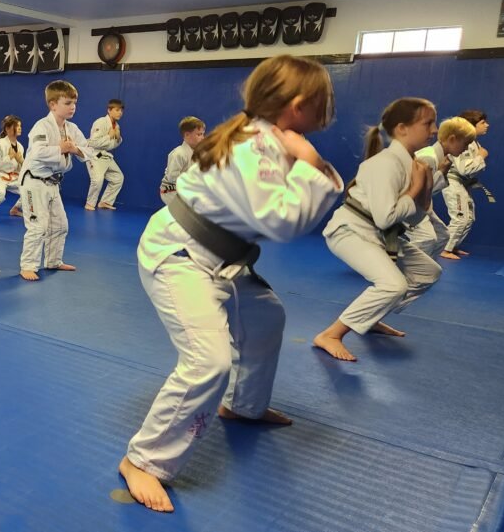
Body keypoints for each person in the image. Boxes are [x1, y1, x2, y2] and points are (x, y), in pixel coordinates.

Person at [120, 55, 342, 513]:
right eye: (323, 102)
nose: (326, 111)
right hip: (180, 256)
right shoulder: (252, 147)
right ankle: (143, 460)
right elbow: (281, 222)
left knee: (265, 319)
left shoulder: (270, 138)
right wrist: (312, 166)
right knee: (208, 362)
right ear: (299, 104)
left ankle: (243, 406)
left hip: (223, 260)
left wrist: (303, 162)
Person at [313, 97, 441, 362]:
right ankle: (331, 335)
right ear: (402, 128)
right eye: (428, 123)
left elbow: (413, 220)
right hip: (349, 232)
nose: (434, 130)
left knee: (428, 273)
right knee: (393, 285)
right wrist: (416, 189)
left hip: (380, 235)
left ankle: (369, 318)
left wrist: (425, 190)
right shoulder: (385, 164)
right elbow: (386, 217)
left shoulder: (411, 163)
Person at [18, 81, 95, 281]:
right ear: (53, 105)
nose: (73, 107)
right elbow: (37, 153)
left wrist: (73, 148)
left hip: (53, 183)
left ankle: (53, 261)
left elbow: (88, 150)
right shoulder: (41, 126)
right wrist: (61, 148)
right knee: (38, 226)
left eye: (74, 103)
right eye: (67, 103)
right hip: (34, 182)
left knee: (60, 225)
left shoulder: (72, 128)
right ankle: (28, 266)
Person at [405, 117, 475, 258]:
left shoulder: (441, 158)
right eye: (465, 143)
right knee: (425, 238)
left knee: (442, 236)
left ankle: (423, 265)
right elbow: (419, 192)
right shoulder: (428, 158)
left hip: (418, 204)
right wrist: (442, 173)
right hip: (405, 204)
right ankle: (405, 268)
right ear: (452, 139)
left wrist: (441, 172)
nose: (466, 148)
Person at [440, 110, 491, 259]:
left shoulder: (473, 142)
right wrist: (481, 157)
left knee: (468, 218)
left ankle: (452, 246)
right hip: (453, 182)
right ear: (471, 125)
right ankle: (444, 249)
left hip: (462, 184)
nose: (486, 125)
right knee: (460, 217)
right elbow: (464, 169)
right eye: (482, 123)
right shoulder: (464, 142)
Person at [85, 99, 124, 211]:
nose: (120, 112)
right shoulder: (100, 122)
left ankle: (105, 201)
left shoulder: (116, 126)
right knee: (97, 180)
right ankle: (90, 204)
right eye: (117, 110)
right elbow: (93, 142)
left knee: (118, 178)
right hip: (95, 154)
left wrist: (118, 138)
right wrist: (109, 136)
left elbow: (112, 145)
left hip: (104, 155)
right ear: (109, 110)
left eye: (121, 110)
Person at [159, 117, 205, 206]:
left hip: (185, 187)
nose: (202, 137)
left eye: (203, 134)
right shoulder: (179, 153)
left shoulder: (198, 153)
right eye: (199, 134)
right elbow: (172, 178)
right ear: (187, 135)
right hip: (170, 190)